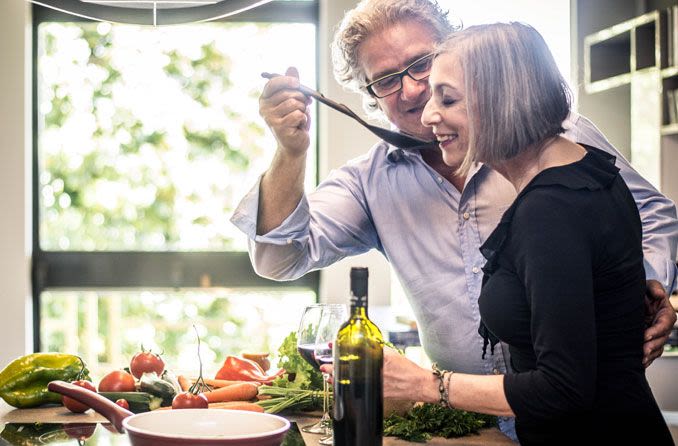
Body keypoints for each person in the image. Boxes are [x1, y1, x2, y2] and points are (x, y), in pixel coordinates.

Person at [230, 0, 678, 440]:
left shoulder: (553, 140)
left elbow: (652, 216)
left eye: (421, 64)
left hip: (577, 418)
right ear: (369, 95)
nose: (411, 91)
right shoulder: (368, 183)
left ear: (452, 50)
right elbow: (279, 259)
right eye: (385, 80)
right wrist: (290, 153)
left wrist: (635, 294)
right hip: (472, 423)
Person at [378, 21, 673, 445]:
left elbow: (563, 389)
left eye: (449, 99)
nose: (429, 115)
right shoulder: (589, 167)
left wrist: (429, 386)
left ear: (500, 99)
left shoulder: (548, 211)